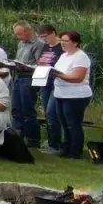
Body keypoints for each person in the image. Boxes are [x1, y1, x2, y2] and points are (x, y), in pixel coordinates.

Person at [51, 31, 93, 161]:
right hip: (61, 93)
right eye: (61, 40)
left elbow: (77, 77)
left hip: (76, 95)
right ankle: (66, 147)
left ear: (75, 43)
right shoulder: (64, 56)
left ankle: (75, 151)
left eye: (66, 41)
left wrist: (57, 75)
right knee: (64, 122)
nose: (63, 43)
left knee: (73, 123)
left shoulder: (80, 57)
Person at [7, 21, 43, 144]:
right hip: (17, 76)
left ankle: (32, 138)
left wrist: (26, 67)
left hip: (29, 78)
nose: (18, 37)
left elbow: (40, 64)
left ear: (28, 31)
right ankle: (18, 135)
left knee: (28, 109)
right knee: (16, 108)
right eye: (16, 34)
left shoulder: (39, 44)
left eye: (19, 34)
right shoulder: (21, 43)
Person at [33, 24, 66, 156]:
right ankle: (51, 141)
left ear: (53, 33)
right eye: (40, 37)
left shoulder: (61, 47)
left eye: (45, 36)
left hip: (56, 84)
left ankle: (56, 144)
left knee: (52, 113)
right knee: (47, 114)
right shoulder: (46, 47)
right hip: (44, 83)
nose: (43, 39)